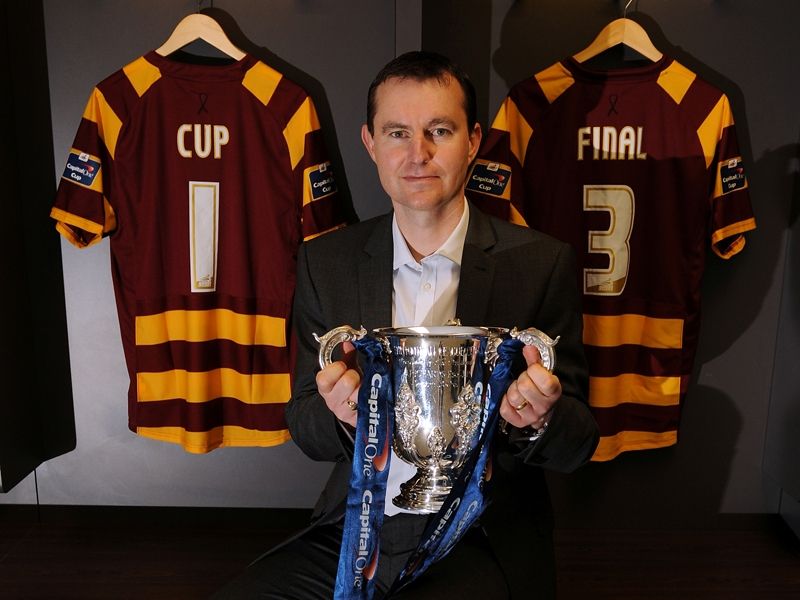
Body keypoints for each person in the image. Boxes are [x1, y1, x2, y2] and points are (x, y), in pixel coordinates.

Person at [213, 51, 599, 600]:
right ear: (370, 143)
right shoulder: (326, 263)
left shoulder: (541, 264)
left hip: (480, 533)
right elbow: (303, 420)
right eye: (397, 133)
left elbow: (578, 442)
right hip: (357, 527)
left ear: (473, 141)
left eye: (439, 130)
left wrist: (538, 419)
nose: (417, 154)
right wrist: (343, 413)